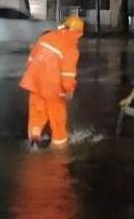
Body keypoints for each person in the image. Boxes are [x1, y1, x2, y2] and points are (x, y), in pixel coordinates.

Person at [19, 15, 85, 149]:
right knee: (58, 120)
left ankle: (34, 143)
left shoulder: (46, 37)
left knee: (36, 115)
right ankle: (58, 150)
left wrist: (36, 78)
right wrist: (69, 90)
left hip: (34, 82)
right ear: (78, 33)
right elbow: (68, 74)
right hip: (53, 87)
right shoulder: (70, 47)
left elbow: (30, 60)